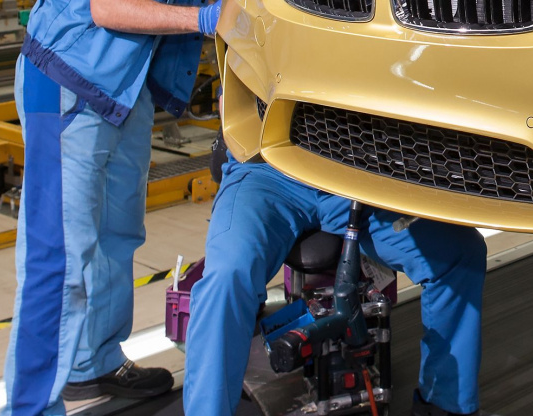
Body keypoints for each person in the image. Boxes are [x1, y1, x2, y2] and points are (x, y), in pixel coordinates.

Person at [2, 0, 251, 415]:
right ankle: (29, 408)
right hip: (69, 86)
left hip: (126, 89)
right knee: (60, 255)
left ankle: (95, 364)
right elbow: (107, 6)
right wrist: (207, 19)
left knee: (116, 236)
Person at [181, 149, 487, 416]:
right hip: (269, 172)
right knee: (226, 278)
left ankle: (444, 405)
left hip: (359, 175)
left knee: (461, 254)